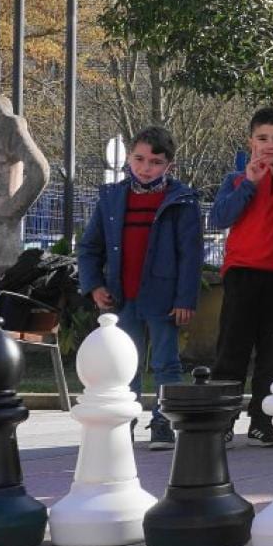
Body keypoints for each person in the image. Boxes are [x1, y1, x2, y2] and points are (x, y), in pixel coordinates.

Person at [77, 126, 204, 450]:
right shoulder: (112, 198)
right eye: (140, 159)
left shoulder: (181, 200)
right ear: (129, 159)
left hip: (163, 298)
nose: (146, 167)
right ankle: (124, 421)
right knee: (123, 364)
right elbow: (90, 247)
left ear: (169, 166)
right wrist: (94, 286)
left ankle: (164, 423)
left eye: (155, 162)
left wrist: (185, 298)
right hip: (121, 297)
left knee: (166, 363)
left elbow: (191, 256)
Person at [207, 108, 273, 450]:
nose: (270, 146)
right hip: (242, 273)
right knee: (232, 350)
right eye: (262, 138)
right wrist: (250, 184)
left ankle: (262, 421)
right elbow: (220, 218)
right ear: (251, 142)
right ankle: (224, 421)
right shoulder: (235, 179)